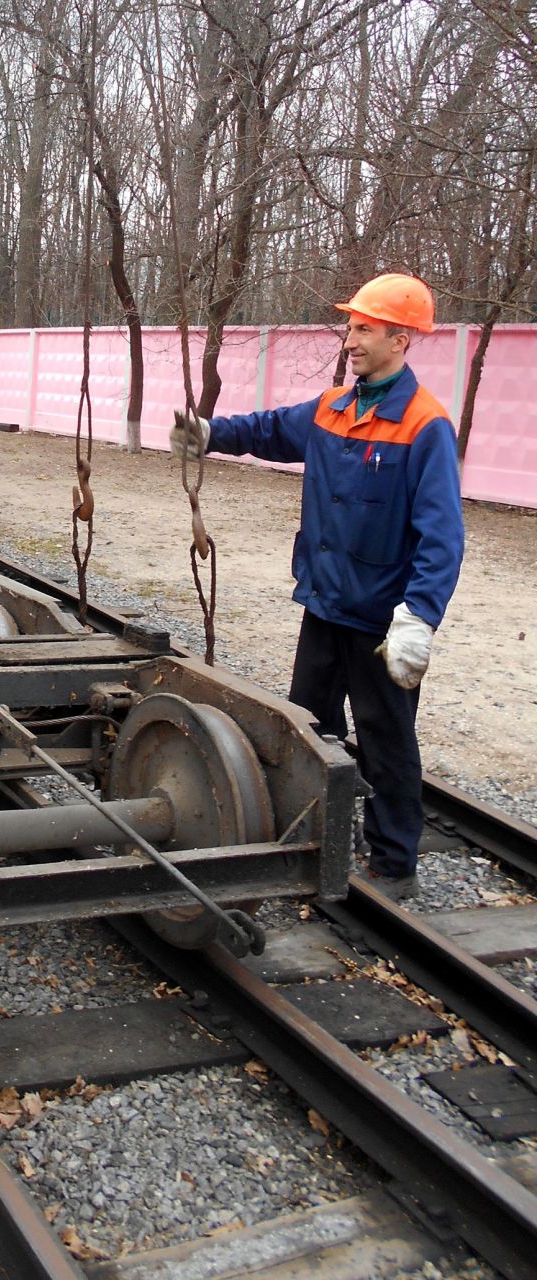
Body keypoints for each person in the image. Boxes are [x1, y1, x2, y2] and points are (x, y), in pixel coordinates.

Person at [169, 274, 464, 901]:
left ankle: (391, 863)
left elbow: (442, 535)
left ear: (399, 338)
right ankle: (314, 836)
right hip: (325, 603)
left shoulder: (425, 425)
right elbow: (271, 428)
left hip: (382, 620)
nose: (350, 339)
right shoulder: (335, 407)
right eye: (351, 326)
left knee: (385, 741)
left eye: (362, 328)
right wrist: (210, 433)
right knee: (307, 725)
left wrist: (421, 616)